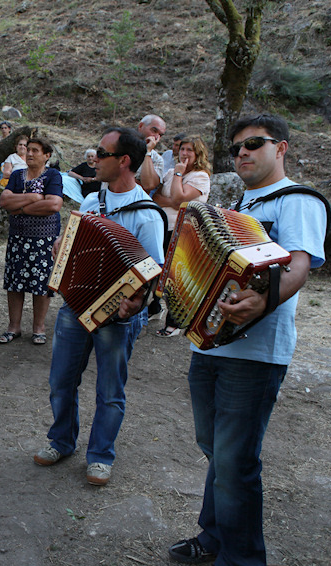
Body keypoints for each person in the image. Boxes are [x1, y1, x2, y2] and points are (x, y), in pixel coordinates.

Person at [168, 114, 326, 566]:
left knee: (235, 459)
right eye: (236, 147)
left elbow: (298, 264)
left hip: (256, 355)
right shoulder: (240, 203)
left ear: (280, 148)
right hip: (210, 342)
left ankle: (241, 562)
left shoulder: (298, 200)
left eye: (253, 144)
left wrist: (266, 298)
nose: (242, 153)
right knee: (215, 447)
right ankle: (214, 535)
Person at [32, 127, 164, 485]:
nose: (94, 159)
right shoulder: (92, 202)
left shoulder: (147, 214)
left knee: (110, 391)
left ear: (123, 161)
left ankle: (101, 455)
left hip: (117, 317)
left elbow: (153, 271)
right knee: (61, 380)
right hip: (75, 305)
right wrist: (61, 249)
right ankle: (61, 440)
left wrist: (136, 303)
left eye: (102, 154)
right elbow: (70, 245)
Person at [0, 136, 63, 346]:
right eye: (28, 150)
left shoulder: (52, 175)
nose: (31, 154)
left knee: (41, 284)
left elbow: (53, 205)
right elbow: (5, 200)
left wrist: (21, 208)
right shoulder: (17, 175)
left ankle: (39, 328)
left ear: (47, 155)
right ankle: (13, 327)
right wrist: (35, 198)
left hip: (44, 239)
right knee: (15, 283)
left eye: (36, 150)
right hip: (18, 237)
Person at [152, 135, 211, 337]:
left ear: (198, 155)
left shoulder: (200, 177)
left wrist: (178, 175)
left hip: (183, 231)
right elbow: (156, 198)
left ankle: (175, 321)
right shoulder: (170, 172)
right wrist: (172, 198)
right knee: (156, 269)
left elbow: (179, 200)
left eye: (190, 151)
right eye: (183, 149)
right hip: (162, 226)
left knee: (175, 276)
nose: (184, 153)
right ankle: (154, 308)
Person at [135, 114, 166, 192]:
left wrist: (147, 152)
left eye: (160, 135)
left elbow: (149, 185)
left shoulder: (157, 159)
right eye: (154, 131)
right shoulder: (120, 146)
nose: (156, 137)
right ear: (141, 126)